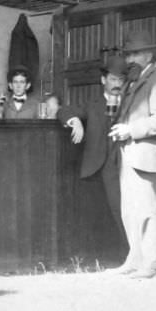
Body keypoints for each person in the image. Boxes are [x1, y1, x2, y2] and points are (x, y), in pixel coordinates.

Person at [108, 31, 156, 278]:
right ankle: (135, 258)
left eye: (135, 54)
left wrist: (131, 130)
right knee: (130, 210)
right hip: (130, 152)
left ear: (148, 55)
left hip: (144, 153)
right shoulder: (134, 81)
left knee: (147, 209)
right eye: (128, 54)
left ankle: (151, 263)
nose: (130, 59)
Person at [58, 56, 128, 252]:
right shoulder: (92, 104)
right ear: (103, 80)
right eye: (113, 79)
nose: (117, 84)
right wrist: (75, 121)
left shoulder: (130, 103)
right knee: (103, 213)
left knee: (126, 210)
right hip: (99, 167)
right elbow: (65, 111)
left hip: (127, 164)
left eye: (121, 80)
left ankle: (130, 253)